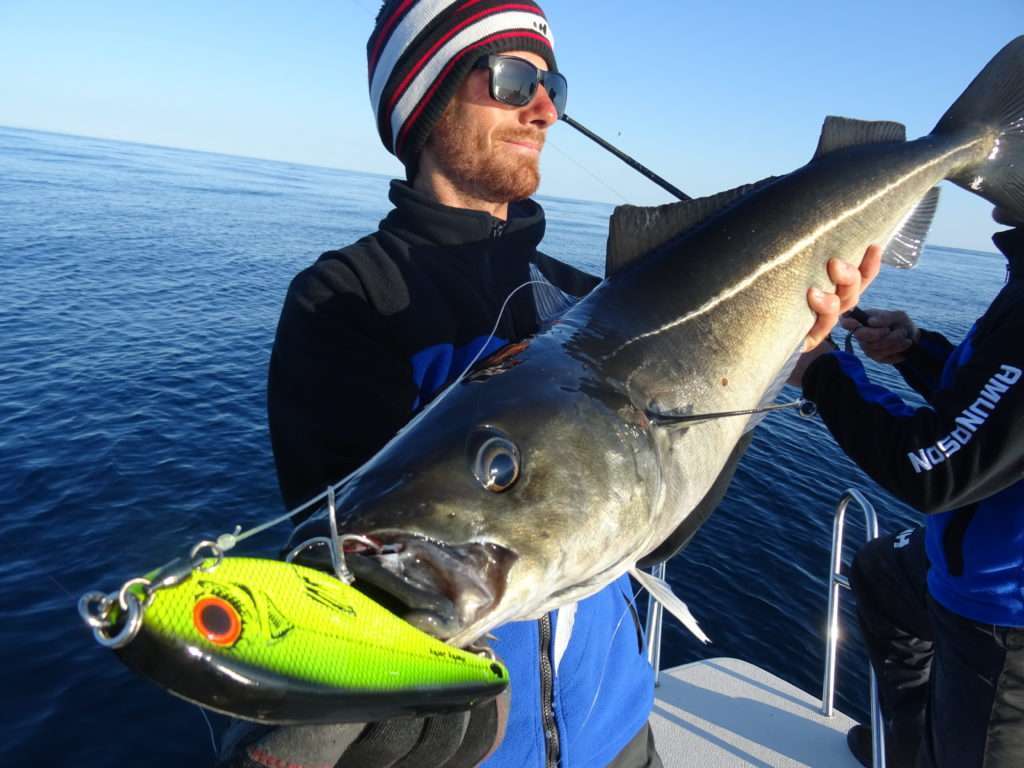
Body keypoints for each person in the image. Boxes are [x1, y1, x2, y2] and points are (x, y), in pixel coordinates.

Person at [219, 2, 876, 766]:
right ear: (425, 95)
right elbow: (365, 579)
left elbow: (662, 530)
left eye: (552, 86)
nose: (544, 110)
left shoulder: (578, 293)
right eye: (512, 77)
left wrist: (766, 356)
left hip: (623, 734)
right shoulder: (347, 298)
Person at [790, 207, 1024, 768]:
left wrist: (821, 370)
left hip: (1004, 613)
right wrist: (916, 350)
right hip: (969, 560)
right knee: (878, 572)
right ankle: (911, 745)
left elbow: (934, 470)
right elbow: (999, 400)